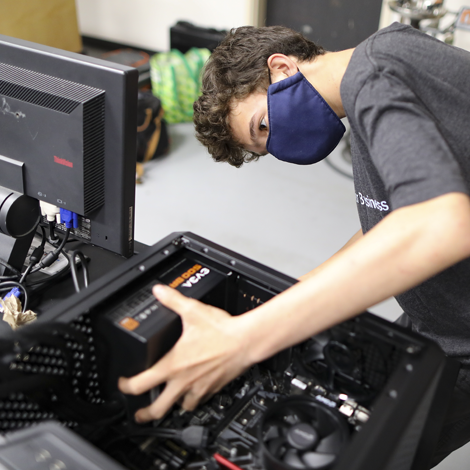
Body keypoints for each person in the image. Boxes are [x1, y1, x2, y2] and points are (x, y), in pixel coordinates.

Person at [119, 22, 470, 466]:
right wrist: (291, 300)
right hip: (439, 320)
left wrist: (246, 339)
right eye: (264, 145)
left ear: (282, 67)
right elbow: (389, 218)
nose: (277, 144)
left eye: (262, 125)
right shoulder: (364, 101)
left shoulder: (376, 70)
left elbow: (440, 222)